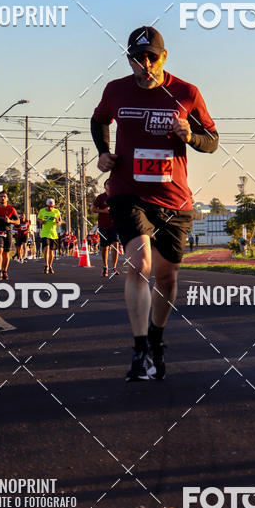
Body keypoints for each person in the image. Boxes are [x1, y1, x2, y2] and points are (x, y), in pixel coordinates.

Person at [91, 26, 218, 381]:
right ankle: (139, 347)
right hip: (128, 192)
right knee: (140, 265)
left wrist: (189, 135)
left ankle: (157, 338)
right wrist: (104, 153)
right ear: (129, 59)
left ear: (164, 57)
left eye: (151, 57)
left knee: (167, 275)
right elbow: (98, 120)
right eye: (137, 58)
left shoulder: (186, 93)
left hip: (174, 198)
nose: (144, 64)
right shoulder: (115, 90)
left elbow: (212, 140)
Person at [92, 179, 119, 277]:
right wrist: (104, 211)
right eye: (108, 183)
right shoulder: (100, 197)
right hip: (103, 226)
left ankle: (114, 267)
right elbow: (93, 209)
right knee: (105, 247)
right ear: (105, 186)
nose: (110, 184)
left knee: (115, 244)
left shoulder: (117, 196)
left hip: (115, 225)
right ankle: (105, 266)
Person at [37, 197, 62, 274]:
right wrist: (41, 221)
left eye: (52, 207)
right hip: (45, 233)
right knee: (46, 248)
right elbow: (38, 219)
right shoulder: (42, 211)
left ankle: (50, 265)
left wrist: (58, 221)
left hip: (53, 234)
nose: (51, 208)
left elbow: (60, 222)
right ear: (46, 205)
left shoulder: (57, 212)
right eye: (49, 206)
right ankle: (46, 265)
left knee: (52, 252)